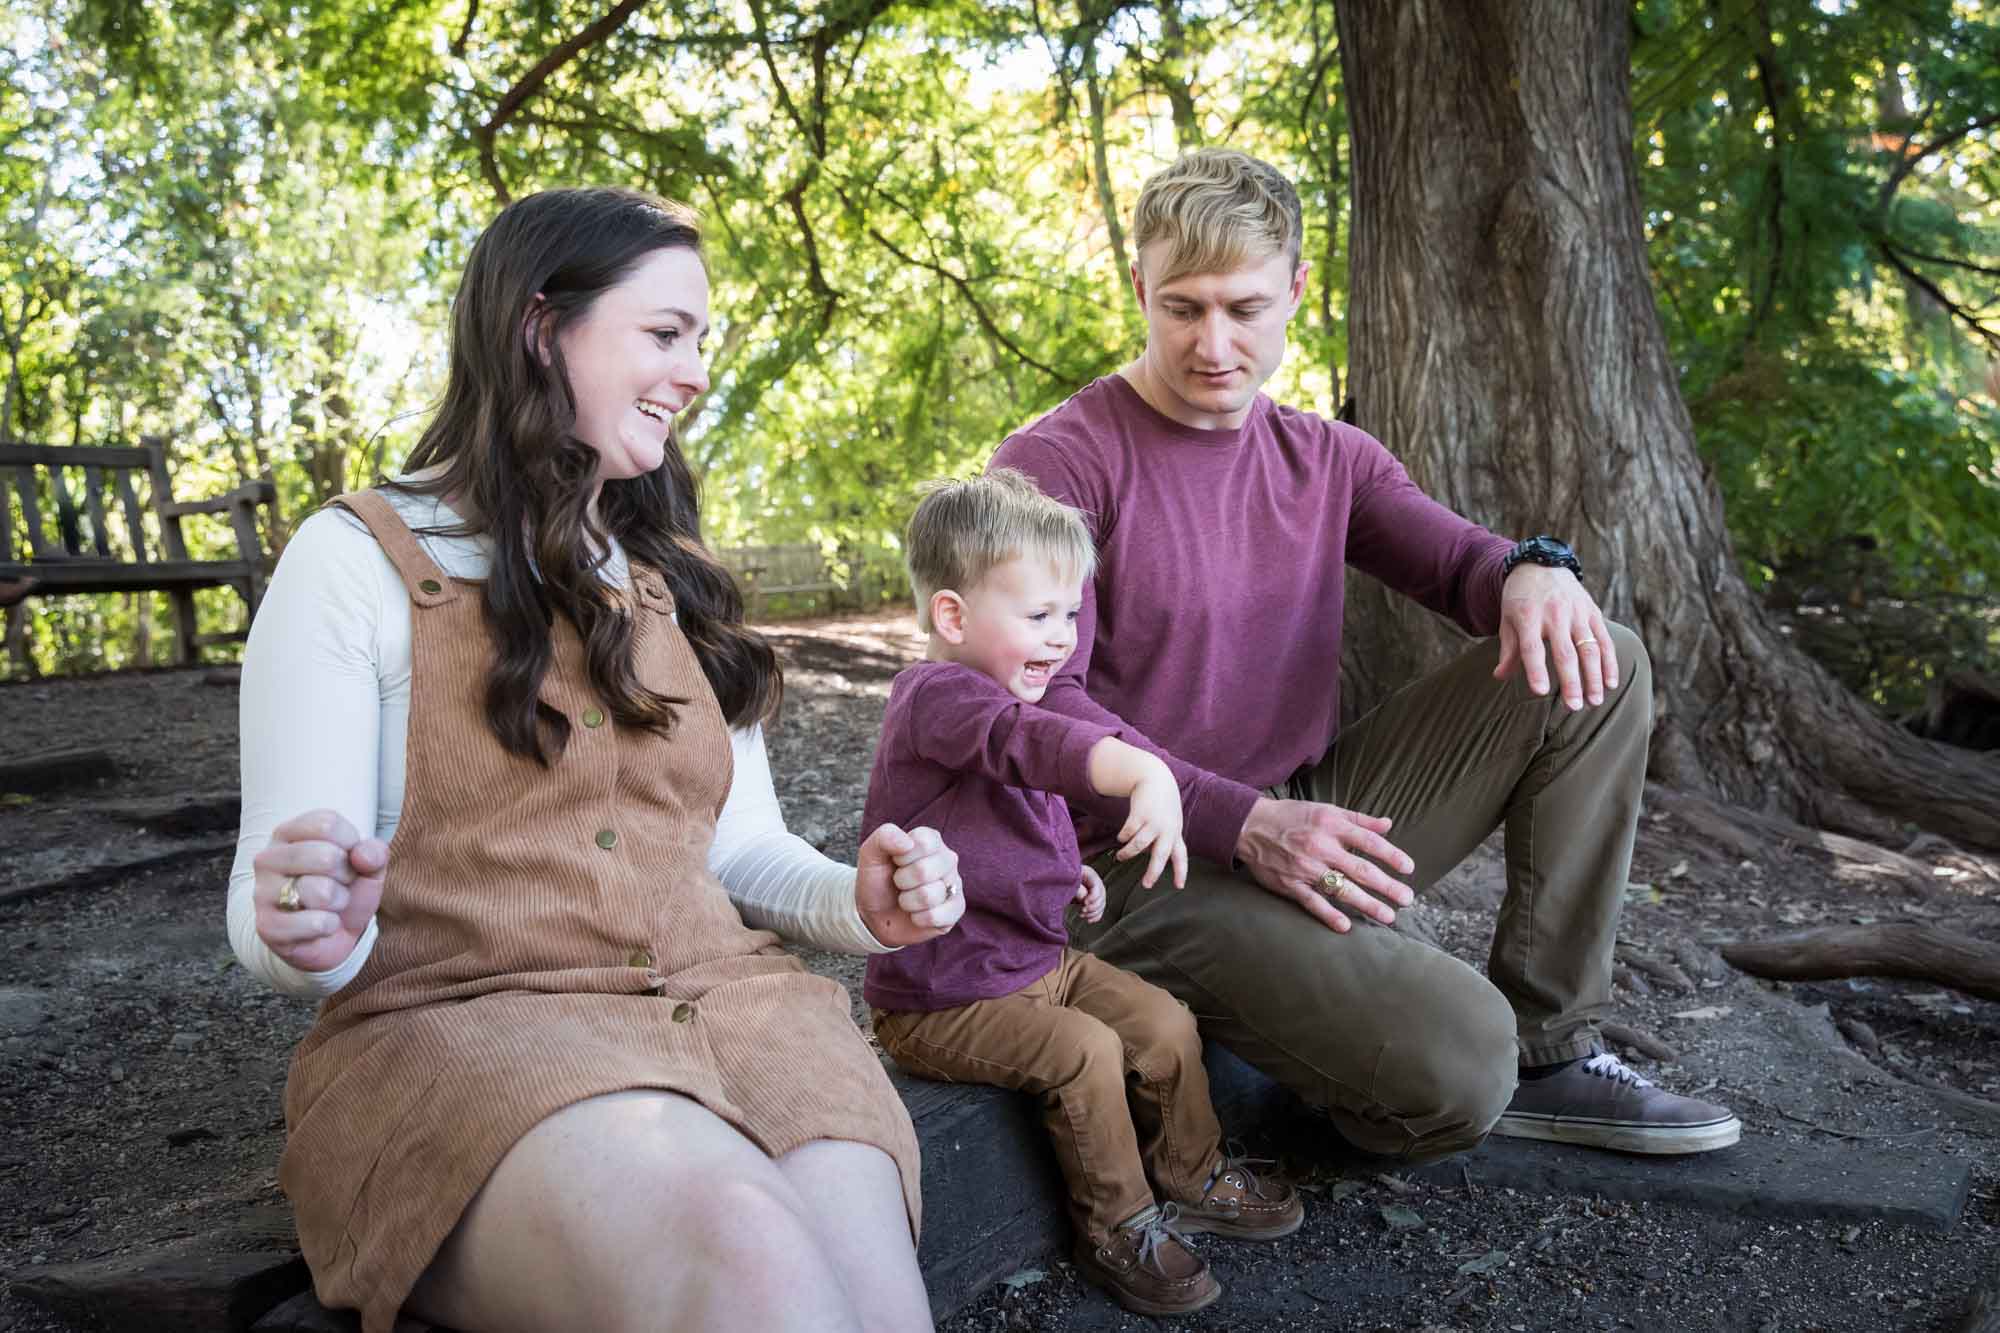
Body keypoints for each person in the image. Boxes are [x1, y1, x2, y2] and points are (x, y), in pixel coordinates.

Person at [226, 187, 965, 1333]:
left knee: (874, 1299)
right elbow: (274, 902)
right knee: (755, 1265)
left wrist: (861, 904)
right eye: (664, 334)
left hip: (738, 1017)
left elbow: (741, 851)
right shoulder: (351, 561)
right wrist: (305, 931)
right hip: (474, 1033)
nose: (695, 371)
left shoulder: (668, 578)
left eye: (701, 341)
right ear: (538, 329)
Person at [989, 147, 1739, 1164]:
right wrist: (1241, 823)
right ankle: (1380, 1042)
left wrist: (1535, 567)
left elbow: (1460, 559)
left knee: (1593, 655)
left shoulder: (1325, 456)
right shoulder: (1057, 463)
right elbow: (1036, 713)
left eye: (1244, 309)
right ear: (1138, 290)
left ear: (1296, 289)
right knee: (1463, 1065)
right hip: (1126, 867)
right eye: (1182, 308)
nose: (1214, 344)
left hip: (1302, 810)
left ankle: (1552, 1048)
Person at [863, 470, 1303, 1318]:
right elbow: (1029, 749)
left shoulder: (1004, 689)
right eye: (1038, 616)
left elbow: (1013, 816)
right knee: (1084, 1051)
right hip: (943, 996)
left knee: (1163, 1019)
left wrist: (1072, 872)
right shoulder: (941, 697)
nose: (1061, 638)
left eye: (1069, 614)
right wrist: (1140, 769)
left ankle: (1192, 1169)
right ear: (952, 616)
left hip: (1035, 959)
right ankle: (1119, 1224)